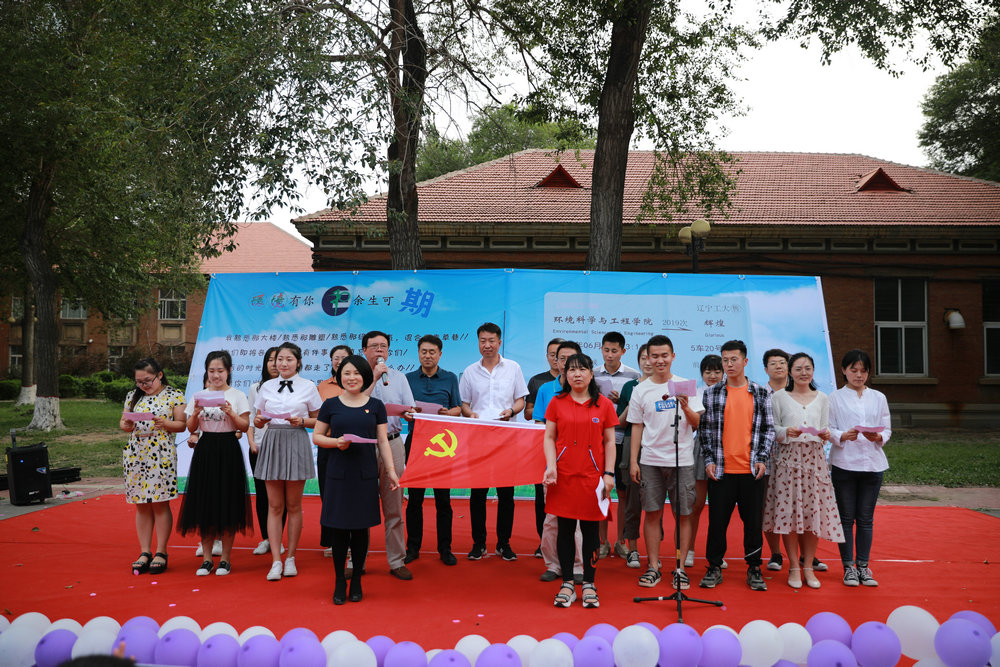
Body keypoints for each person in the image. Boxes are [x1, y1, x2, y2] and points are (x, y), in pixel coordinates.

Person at [313, 355, 400, 604]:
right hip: (338, 473)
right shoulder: (331, 405)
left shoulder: (376, 406)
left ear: (365, 376)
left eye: (357, 373)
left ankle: (358, 581)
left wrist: (391, 471)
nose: (352, 378)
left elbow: (382, 441)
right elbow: (317, 436)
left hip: (365, 473)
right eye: (346, 373)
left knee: (361, 529)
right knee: (339, 529)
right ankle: (340, 580)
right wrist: (336, 442)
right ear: (340, 377)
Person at [628, 335, 705, 591]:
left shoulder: (685, 385)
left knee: (683, 514)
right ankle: (653, 566)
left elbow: (696, 423)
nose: (660, 360)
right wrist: (634, 461)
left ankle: (680, 569)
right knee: (652, 513)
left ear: (673, 356)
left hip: (682, 460)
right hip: (650, 460)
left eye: (664, 355)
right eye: (655, 356)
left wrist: (686, 407)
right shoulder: (641, 390)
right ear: (647, 359)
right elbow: (636, 426)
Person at [543, 353, 619, 608]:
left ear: (591, 374)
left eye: (582, 369)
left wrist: (608, 473)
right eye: (572, 370)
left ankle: (588, 583)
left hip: (592, 479)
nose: (577, 374)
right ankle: (567, 583)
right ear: (565, 375)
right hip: (562, 477)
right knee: (564, 530)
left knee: (590, 532)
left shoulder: (603, 404)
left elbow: (610, 441)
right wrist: (552, 467)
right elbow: (549, 437)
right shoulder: (557, 402)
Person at [762, 352, 844, 589]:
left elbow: (825, 427)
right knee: (789, 513)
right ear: (790, 371)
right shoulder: (779, 397)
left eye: (807, 368)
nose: (803, 373)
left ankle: (808, 565)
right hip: (787, 461)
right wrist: (785, 432)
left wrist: (826, 433)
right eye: (798, 368)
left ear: (813, 370)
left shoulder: (822, 398)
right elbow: (772, 428)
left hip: (814, 462)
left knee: (812, 513)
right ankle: (794, 567)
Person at [698, 339, 774, 592]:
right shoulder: (711, 393)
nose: (729, 364)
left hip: (752, 471)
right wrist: (709, 460)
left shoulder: (761, 393)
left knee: (753, 523)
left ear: (745, 361)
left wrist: (762, 458)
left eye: (734, 359)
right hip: (721, 471)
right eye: (725, 360)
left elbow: (768, 430)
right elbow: (705, 431)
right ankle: (714, 567)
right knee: (717, 523)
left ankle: (754, 568)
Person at [177, 350, 253, 576]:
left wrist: (230, 412)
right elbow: (191, 428)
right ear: (206, 372)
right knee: (206, 503)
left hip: (228, 449)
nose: (216, 375)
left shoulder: (237, 395)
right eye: (212, 371)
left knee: (228, 503)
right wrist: (195, 413)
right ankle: (207, 559)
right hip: (206, 450)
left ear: (229, 371)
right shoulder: (199, 395)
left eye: (220, 370)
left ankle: (226, 559)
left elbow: (244, 426)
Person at [253, 341, 322, 581]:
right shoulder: (267, 386)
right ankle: (275, 560)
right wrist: (260, 421)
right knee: (274, 506)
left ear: (298, 362)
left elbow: (319, 420)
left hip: (296, 439)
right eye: (279, 359)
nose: (283, 363)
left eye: (288, 359)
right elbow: (257, 418)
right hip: (272, 440)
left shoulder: (308, 386)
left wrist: (302, 422)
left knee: (293, 505)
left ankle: (290, 557)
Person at [460, 322, 528, 561]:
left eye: (491, 341)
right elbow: (464, 404)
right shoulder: (470, 371)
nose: (487, 345)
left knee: (506, 494)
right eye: (482, 341)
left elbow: (520, 400)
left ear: (500, 342)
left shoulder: (513, 368)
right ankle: (478, 543)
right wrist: (470, 414)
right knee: (478, 493)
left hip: (506, 439)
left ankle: (503, 543)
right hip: (478, 439)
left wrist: (511, 410)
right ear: (478, 343)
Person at [828, 349, 892, 588]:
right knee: (846, 518)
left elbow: (886, 428)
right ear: (843, 370)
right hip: (844, 463)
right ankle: (848, 568)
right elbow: (828, 428)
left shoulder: (878, 397)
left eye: (863, 371)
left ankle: (863, 566)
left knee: (865, 519)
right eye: (853, 370)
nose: (858, 375)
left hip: (873, 464)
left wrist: (879, 437)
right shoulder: (834, 398)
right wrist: (842, 435)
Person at [119, 358, 187, 575]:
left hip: (161, 453)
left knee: (159, 503)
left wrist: (165, 423)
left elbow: (182, 425)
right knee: (140, 503)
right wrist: (126, 424)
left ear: (159, 375)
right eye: (139, 382)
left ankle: (161, 551)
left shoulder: (174, 394)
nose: (143, 385)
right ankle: (144, 551)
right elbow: (123, 423)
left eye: (147, 380)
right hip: (136, 453)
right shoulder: (133, 395)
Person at [404, 334, 463, 566]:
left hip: (443, 445)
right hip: (416, 442)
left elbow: (458, 408)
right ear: (418, 353)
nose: (427, 356)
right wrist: (407, 413)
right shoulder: (408, 378)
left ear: (440, 354)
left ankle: (445, 549)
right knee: (415, 499)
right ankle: (413, 548)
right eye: (424, 352)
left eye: (432, 352)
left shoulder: (450, 378)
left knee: (443, 500)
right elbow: (402, 408)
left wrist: (448, 413)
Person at [362, 330, 416, 580]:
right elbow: (354, 404)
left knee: (394, 506)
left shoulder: (399, 377)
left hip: (393, 443)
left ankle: (396, 560)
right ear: (364, 350)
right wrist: (373, 378)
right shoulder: (354, 376)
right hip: (362, 445)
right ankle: (356, 559)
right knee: (359, 505)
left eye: (383, 346)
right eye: (374, 346)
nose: (379, 350)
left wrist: (408, 413)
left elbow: (409, 408)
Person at [534, 340, 585, 582]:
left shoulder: (588, 392)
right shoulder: (546, 390)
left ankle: (577, 566)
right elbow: (540, 429)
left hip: (582, 467)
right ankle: (553, 564)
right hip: (553, 465)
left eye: (571, 359)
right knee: (552, 519)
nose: (566, 364)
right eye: (561, 358)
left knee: (578, 520)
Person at [594, 331, 641, 559]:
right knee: (601, 491)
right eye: (606, 350)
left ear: (623, 351)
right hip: (598, 441)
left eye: (614, 351)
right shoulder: (592, 374)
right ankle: (602, 541)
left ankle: (622, 541)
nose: (610, 355)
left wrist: (620, 402)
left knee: (623, 494)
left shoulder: (634, 376)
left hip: (623, 440)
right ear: (601, 349)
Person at [525, 337, 565, 558]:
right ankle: (545, 543)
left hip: (573, 451)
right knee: (543, 498)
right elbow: (531, 414)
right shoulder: (540, 384)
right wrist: (550, 414)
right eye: (555, 355)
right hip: (546, 447)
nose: (560, 360)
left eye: (565, 356)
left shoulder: (583, 384)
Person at [613, 343, 652, 569]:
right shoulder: (630, 387)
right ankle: (633, 549)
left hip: (658, 445)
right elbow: (620, 422)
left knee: (655, 502)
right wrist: (633, 402)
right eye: (643, 358)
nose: (648, 362)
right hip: (631, 444)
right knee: (632, 500)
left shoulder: (667, 386)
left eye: (652, 357)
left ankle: (654, 551)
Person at [686, 354, 724, 570]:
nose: (712, 376)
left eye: (717, 371)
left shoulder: (729, 393)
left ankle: (717, 553)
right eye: (708, 372)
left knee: (720, 508)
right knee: (696, 504)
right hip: (700, 448)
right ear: (702, 374)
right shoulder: (695, 394)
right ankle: (689, 550)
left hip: (725, 451)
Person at [247, 347, 285, 557]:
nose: (274, 364)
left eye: (278, 359)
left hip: (282, 445)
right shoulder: (256, 388)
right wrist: (251, 442)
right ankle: (266, 538)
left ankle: (278, 538)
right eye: (270, 360)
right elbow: (251, 417)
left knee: (281, 495)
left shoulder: (290, 388)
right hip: (260, 447)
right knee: (262, 494)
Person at [317, 344, 352, 558]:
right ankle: (332, 540)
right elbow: (315, 417)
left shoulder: (358, 384)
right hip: (328, 445)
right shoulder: (322, 387)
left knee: (350, 495)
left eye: (343, 357)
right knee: (328, 494)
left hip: (352, 446)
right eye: (335, 357)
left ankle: (352, 541)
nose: (339, 361)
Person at [761, 348, 790, 573]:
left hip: (794, 459)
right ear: (765, 369)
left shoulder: (799, 392)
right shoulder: (760, 394)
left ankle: (803, 555)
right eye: (773, 363)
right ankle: (776, 553)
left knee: (795, 506)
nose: (778, 366)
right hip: (767, 458)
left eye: (782, 362)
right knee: (768, 507)